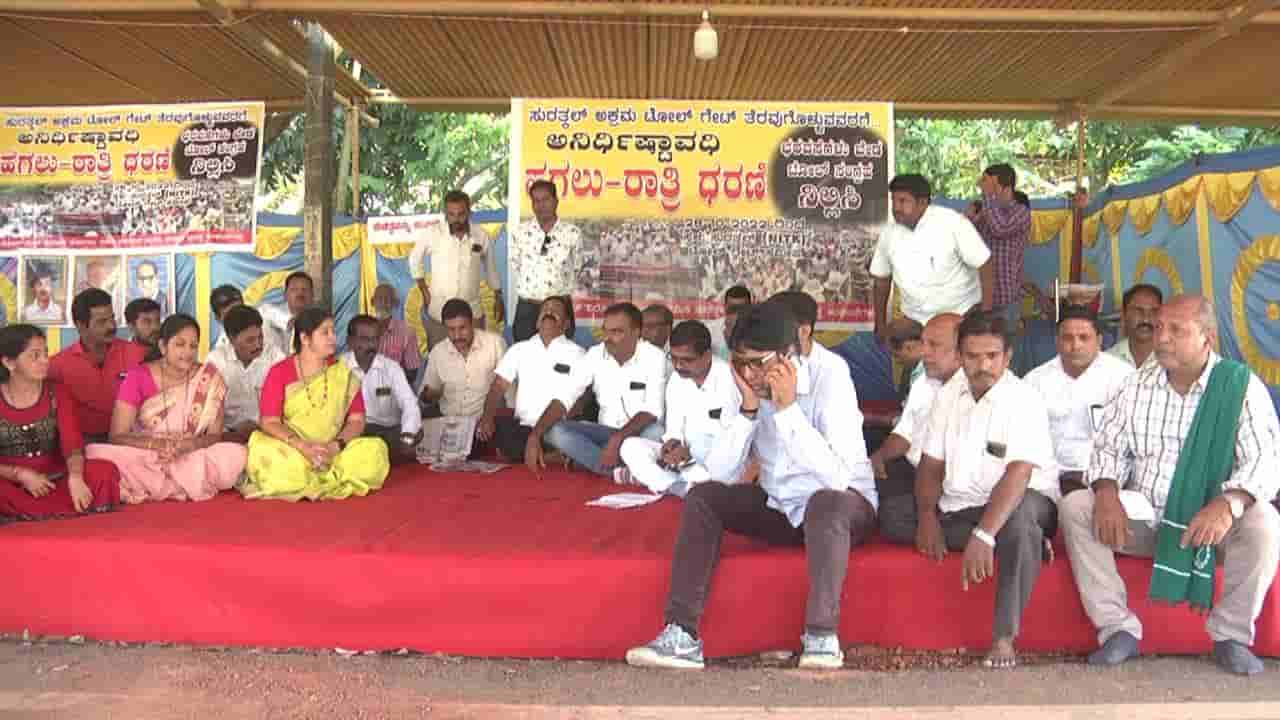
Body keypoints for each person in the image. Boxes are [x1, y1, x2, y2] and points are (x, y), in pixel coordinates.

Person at [625, 301, 877, 670]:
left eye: (759, 363)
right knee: (703, 496)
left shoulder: (831, 375)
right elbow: (720, 474)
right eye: (741, 362)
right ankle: (681, 635)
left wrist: (787, 410)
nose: (750, 373)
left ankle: (822, 636)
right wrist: (747, 410)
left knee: (825, 503)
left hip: (844, 510)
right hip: (781, 507)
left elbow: (837, 478)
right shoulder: (744, 381)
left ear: (789, 355)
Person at [1062, 295, 1280, 676]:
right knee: (1076, 506)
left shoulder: (1239, 387)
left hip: (1211, 528)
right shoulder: (1135, 386)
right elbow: (1107, 449)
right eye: (1161, 327)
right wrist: (1107, 492)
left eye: (1176, 330)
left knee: (1264, 521)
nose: (1162, 337)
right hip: (1147, 519)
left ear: (1207, 337)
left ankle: (1231, 636)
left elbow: (1265, 462)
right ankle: (1117, 628)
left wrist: (1227, 504)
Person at [878, 309, 1057, 669]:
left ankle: (1004, 637)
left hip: (1021, 499)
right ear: (960, 356)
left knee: (1020, 522)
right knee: (893, 516)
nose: (983, 365)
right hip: (961, 505)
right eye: (973, 356)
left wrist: (986, 534)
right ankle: (1020, 545)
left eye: (992, 356)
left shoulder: (1024, 399)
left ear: (1007, 357)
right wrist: (927, 517)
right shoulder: (948, 395)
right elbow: (931, 465)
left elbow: (1018, 473)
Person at [85, 314, 247, 504]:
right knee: (97, 454)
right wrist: (157, 445)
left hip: (190, 454)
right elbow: (116, 436)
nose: (188, 352)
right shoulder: (138, 377)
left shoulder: (210, 378)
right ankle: (181, 483)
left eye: (193, 346)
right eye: (180, 344)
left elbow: (214, 436)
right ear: (163, 347)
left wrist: (189, 446)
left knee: (237, 455)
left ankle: (160, 484)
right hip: (145, 453)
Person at [240, 307, 390, 502]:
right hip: (293, 450)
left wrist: (335, 446)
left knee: (375, 451)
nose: (333, 338)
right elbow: (269, 421)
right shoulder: (280, 372)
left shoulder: (342, 373)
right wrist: (302, 446)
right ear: (305, 338)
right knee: (266, 454)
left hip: (334, 452)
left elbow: (357, 420)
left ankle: (316, 476)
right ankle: (324, 477)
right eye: (325, 332)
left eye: (333, 331)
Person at [526, 302, 666, 479]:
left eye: (617, 332)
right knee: (554, 431)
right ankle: (622, 470)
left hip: (638, 432)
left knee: (656, 433)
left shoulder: (654, 356)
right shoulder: (595, 354)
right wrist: (534, 436)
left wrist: (618, 439)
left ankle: (599, 462)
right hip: (603, 432)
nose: (608, 338)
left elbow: (652, 411)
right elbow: (564, 397)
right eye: (606, 331)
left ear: (636, 332)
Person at [0, 324, 120, 521]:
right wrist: (19, 474)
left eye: (45, 353)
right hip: (10, 483)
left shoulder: (58, 393)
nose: (45, 361)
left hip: (55, 479)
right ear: (9, 362)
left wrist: (76, 477)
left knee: (103, 472)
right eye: (35, 356)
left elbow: (73, 446)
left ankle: (31, 513)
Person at [618, 320, 742, 496]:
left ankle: (663, 480)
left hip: (715, 461)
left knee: (708, 458)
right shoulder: (676, 380)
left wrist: (688, 456)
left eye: (687, 360)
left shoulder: (729, 380)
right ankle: (677, 486)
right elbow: (674, 428)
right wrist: (673, 445)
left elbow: (732, 440)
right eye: (674, 358)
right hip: (683, 459)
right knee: (630, 446)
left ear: (707, 355)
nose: (678, 366)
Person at [1023, 306, 1133, 496]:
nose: (1075, 346)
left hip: (1105, 480)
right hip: (1048, 479)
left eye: (1084, 337)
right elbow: (1025, 440)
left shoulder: (1123, 377)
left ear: (1099, 341)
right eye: (1067, 338)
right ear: (1056, 341)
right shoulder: (1035, 381)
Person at [870, 174, 993, 341]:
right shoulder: (889, 234)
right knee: (900, 349)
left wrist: (985, 314)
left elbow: (985, 263)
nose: (896, 207)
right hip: (915, 320)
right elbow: (881, 281)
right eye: (894, 200)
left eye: (903, 201)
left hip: (960, 316)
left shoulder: (953, 223)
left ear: (922, 203)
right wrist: (880, 325)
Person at [477, 296, 583, 462]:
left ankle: (541, 453)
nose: (549, 312)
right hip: (524, 427)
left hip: (558, 426)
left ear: (567, 324)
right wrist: (487, 417)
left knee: (565, 435)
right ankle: (553, 457)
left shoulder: (578, 353)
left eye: (555, 310)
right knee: (498, 431)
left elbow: (580, 399)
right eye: (545, 309)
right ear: (537, 322)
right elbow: (498, 387)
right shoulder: (519, 349)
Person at [869, 313, 962, 500]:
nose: (924, 352)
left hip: (950, 484)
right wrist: (877, 459)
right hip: (913, 470)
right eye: (924, 343)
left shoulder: (976, 391)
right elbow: (904, 433)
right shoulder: (925, 381)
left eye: (934, 345)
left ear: (961, 351)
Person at [408, 191, 504, 350]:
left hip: (472, 312)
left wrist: (498, 297)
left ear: (469, 212)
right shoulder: (433, 233)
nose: (456, 219)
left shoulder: (481, 235)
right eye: (451, 214)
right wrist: (424, 290)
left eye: (461, 214)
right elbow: (414, 259)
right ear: (445, 213)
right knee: (440, 359)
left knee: (475, 357)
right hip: (439, 312)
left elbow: (491, 268)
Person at [48, 289, 147, 443]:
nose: (111, 326)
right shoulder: (57, 366)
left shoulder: (138, 354)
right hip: (83, 444)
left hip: (131, 440)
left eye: (112, 318)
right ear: (81, 325)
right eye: (102, 322)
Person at [343, 314, 422, 464]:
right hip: (354, 432)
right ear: (350, 342)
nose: (371, 345)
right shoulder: (339, 368)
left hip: (387, 432)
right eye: (365, 339)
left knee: (416, 432)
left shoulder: (391, 368)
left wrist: (408, 434)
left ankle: (375, 456)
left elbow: (409, 403)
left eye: (375, 339)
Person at [510, 180, 583, 343]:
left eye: (546, 199)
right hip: (528, 308)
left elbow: (577, 267)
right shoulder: (520, 233)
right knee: (524, 353)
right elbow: (516, 264)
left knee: (560, 354)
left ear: (556, 201)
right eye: (536, 201)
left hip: (560, 308)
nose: (541, 205)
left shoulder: (572, 233)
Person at [205, 304, 286, 444]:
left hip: (268, 433)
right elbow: (208, 411)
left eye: (260, 337)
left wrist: (263, 427)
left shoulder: (275, 357)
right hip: (227, 436)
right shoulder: (215, 362)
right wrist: (229, 433)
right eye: (250, 340)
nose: (258, 345)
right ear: (231, 339)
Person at [965, 164, 1031, 333]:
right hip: (982, 297)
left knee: (1005, 347)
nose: (983, 188)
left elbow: (1000, 229)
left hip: (1005, 298)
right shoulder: (987, 211)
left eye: (989, 185)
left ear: (1006, 188)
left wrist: (989, 197)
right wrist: (968, 219)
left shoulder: (1021, 212)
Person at [420, 299, 507, 420]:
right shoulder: (438, 352)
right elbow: (425, 397)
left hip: (487, 421)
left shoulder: (495, 344)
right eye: (451, 329)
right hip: (449, 420)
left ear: (472, 323)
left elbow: (509, 391)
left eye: (462, 328)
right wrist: (430, 395)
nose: (457, 336)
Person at [371, 283, 422, 384]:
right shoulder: (362, 331)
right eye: (379, 299)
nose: (383, 303)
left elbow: (412, 373)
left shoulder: (407, 333)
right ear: (372, 302)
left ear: (396, 303)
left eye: (388, 299)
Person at [1107, 284, 1162, 368]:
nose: (1146, 319)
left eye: (1154, 311)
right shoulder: (1108, 360)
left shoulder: (1173, 360)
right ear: (1124, 315)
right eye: (1138, 310)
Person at [259, 271, 313, 354]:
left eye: (305, 289)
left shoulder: (317, 321)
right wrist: (289, 321)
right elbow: (263, 311)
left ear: (312, 294)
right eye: (294, 289)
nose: (300, 293)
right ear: (285, 295)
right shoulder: (269, 313)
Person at [886, 317, 925, 401]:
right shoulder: (916, 369)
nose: (897, 361)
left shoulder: (929, 374)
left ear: (909, 347)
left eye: (897, 355)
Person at [709, 285, 752, 360]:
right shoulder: (711, 330)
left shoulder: (759, 330)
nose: (736, 315)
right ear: (725, 307)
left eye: (741, 309)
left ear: (750, 307)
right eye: (732, 309)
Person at [643, 303, 675, 380]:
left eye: (650, 326)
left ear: (667, 328)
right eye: (642, 326)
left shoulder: (679, 351)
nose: (644, 331)